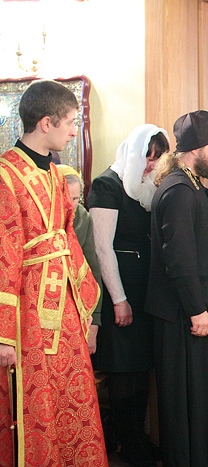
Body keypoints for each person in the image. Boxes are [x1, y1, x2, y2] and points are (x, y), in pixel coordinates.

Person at [0, 79, 107, 466]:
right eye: (70, 122)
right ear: (46, 123)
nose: (74, 131)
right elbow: (4, 256)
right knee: (36, 400)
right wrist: (4, 335)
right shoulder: (5, 175)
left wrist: (87, 306)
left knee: (71, 396)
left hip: (65, 309)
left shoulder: (57, 175)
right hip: (27, 315)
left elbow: (68, 238)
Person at [145, 110, 208, 465]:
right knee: (190, 401)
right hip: (187, 318)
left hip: (200, 312)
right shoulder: (179, 191)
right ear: (195, 149)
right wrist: (197, 309)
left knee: (205, 398)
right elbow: (180, 259)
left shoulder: (191, 185)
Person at [88, 124, 169, 466]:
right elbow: (102, 249)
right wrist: (119, 300)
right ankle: (128, 442)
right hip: (119, 292)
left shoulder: (146, 187)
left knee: (141, 368)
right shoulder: (107, 185)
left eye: (157, 158)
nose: (151, 165)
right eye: (147, 157)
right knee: (123, 369)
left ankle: (139, 437)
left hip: (144, 290)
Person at [57, 164, 103, 355]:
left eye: (76, 198)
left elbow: (92, 267)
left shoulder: (83, 217)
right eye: (66, 198)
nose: (71, 204)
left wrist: (95, 318)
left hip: (76, 305)